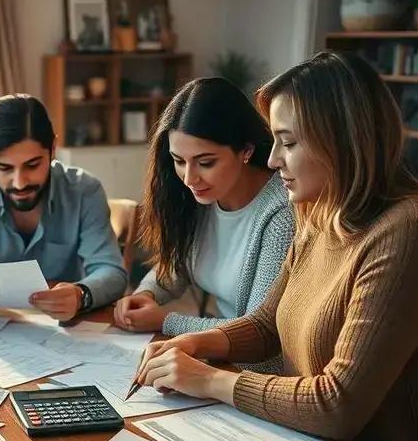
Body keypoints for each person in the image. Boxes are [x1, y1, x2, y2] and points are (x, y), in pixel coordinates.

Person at [135, 51, 418, 441]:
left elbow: (337, 405)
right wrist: (205, 340)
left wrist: (212, 380)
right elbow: (267, 322)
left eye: (286, 142)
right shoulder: (320, 209)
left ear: (342, 140)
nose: (272, 157)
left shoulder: (410, 231)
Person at [113, 78, 293, 345]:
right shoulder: (203, 194)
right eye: (178, 161)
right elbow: (178, 267)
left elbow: (258, 334)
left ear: (246, 150)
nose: (189, 178)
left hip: (254, 365)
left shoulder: (281, 214)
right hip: (219, 354)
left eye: (205, 162)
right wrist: (147, 294)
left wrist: (166, 321)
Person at [0, 93, 127, 321]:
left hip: (68, 327)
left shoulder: (84, 190)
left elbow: (112, 272)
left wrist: (81, 294)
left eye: (32, 165)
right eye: (4, 168)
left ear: (53, 149)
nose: (20, 182)